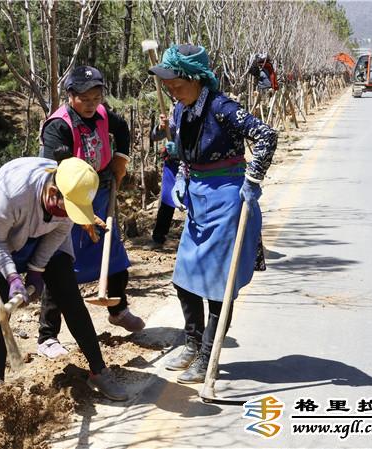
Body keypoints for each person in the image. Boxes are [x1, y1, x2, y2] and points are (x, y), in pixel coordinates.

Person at [149, 44, 277, 384]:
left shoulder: (222, 108)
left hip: (227, 199)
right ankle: (191, 344)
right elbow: (180, 151)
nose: (171, 91)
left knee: (219, 285)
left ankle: (208, 356)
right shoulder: (179, 109)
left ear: (196, 79)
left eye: (177, 84)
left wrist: (252, 179)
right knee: (184, 278)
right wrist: (178, 173)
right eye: (169, 86)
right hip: (196, 199)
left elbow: (266, 136)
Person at [0, 156, 129, 409]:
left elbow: (60, 231)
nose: (68, 214)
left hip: (43, 233)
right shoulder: (11, 194)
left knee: (69, 296)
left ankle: (99, 371)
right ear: (52, 192)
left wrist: (36, 271)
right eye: (65, 207)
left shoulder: (72, 194)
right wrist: (12, 276)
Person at [37, 65, 145, 359]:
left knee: (115, 255)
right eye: (84, 98)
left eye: (96, 96)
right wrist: (79, 214)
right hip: (66, 200)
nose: (90, 103)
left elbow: (121, 128)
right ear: (71, 95)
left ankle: (118, 309)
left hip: (100, 192)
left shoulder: (102, 114)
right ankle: (48, 335)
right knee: (61, 266)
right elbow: (53, 172)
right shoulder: (58, 127)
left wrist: (119, 159)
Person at [150, 115, 180, 247]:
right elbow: (155, 136)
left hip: (196, 165)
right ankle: (159, 237)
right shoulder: (177, 115)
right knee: (167, 201)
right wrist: (161, 127)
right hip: (174, 165)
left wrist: (182, 151)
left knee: (196, 202)